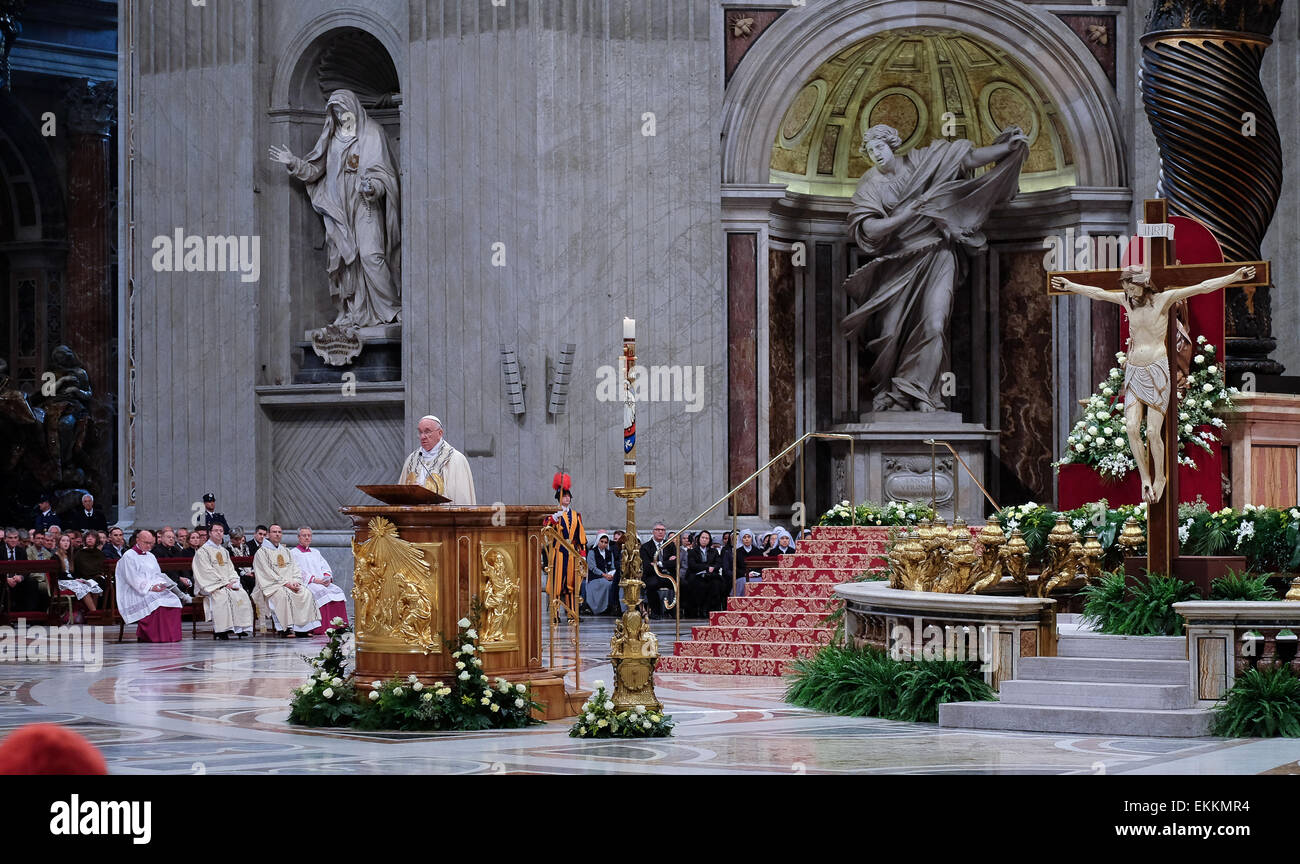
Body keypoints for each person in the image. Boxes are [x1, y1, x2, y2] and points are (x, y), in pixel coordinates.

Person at [843, 123, 1029, 412]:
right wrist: (906, 215)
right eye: (869, 151)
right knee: (890, 332)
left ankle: (921, 393)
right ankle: (891, 392)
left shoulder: (924, 160)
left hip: (938, 255)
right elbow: (870, 228)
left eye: (879, 147)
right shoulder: (870, 183)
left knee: (934, 324)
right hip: (897, 263)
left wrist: (1007, 148)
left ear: (892, 144)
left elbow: (965, 158)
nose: (875, 154)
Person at [1051, 263, 1257, 502]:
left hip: (1157, 372)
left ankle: (1160, 477)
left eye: (1132, 286)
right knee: (1130, 428)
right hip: (1134, 372)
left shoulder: (1163, 300)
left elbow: (1202, 287)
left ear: (1143, 283)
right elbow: (1098, 293)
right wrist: (1071, 285)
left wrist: (1233, 277)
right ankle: (1145, 479)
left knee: (1151, 431)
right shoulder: (1127, 301)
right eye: (1125, 287)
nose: (1128, 291)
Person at [269, 88, 401, 329]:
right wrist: (293, 163)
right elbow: (314, 171)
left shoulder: (372, 134)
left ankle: (390, 309)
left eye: (344, 111)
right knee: (341, 263)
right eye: (336, 112)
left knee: (372, 255)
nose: (341, 117)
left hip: (364, 206)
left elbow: (386, 175)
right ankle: (350, 311)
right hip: (337, 212)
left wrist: (373, 188)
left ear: (354, 108)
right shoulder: (331, 137)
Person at [114, 530, 183, 643]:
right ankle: (154, 636)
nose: (149, 546)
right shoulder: (128, 556)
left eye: (151, 543)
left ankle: (170, 636)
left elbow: (157, 574)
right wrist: (151, 587)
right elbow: (132, 579)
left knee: (173, 599)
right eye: (146, 543)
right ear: (138, 540)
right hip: (135, 591)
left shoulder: (151, 556)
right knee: (157, 601)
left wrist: (160, 584)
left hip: (152, 588)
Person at [253, 524, 321, 637]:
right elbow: (267, 574)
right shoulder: (261, 553)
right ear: (268, 535)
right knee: (284, 595)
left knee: (306, 593)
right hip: (271, 586)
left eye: (279, 532)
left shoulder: (286, 551)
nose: (277, 534)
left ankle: (303, 629)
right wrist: (286, 584)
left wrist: (296, 581)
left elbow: (295, 568)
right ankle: (285, 629)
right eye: (274, 532)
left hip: (290, 584)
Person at [190, 523, 254, 639]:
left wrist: (234, 581)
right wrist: (224, 584)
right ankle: (221, 630)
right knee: (222, 596)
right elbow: (206, 571)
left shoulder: (224, 551)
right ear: (210, 533)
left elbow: (231, 569)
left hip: (226, 584)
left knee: (241, 594)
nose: (219, 533)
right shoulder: (203, 552)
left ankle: (239, 627)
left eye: (221, 530)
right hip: (211, 585)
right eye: (216, 530)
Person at [397, 415, 477, 503]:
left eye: (427, 432)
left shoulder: (456, 459)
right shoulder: (412, 459)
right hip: (414, 515)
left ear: (440, 433)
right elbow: (401, 494)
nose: (422, 436)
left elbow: (461, 498)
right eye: (420, 432)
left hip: (442, 515)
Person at [291, 526, 348, 635]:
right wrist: (315, 580)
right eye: (304, 535)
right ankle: (323, 627)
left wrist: (327, 578)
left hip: (322, 582)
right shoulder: (293, 553)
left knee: (338, 591)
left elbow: (325, 567)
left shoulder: (315, 552)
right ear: (298, 537)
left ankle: (339, 626)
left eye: (309, 535)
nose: (307, 538)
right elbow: (297, 571)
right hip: (308, 583)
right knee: (323, 593)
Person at [544, 474, 586, 621]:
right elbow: (545, 530)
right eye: (564, 496)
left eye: (568, 496)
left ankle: (572, 613)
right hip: (559, 552)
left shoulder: (576, 515)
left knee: (571, 584)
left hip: (572, 552)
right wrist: (552, 520)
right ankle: (554, 614)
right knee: (556, 583)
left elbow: (580, 536)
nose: (567, 499)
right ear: (559, 498)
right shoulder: (552, 515)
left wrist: (582, 554)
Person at [53, 534, 100, 620]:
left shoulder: (70, 556)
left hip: (71, 580)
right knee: (82, 589)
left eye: (67, 541)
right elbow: (58, 574)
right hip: (62, 581)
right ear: (58, 543)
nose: (66, 543)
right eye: (63, 541)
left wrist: (78, 578)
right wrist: (74, 579)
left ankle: (91, 614)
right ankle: (94, 614)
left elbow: (73, 572)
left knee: (94, 587)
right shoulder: (55, 557)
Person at [639, 523, 677, 620]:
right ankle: (656, 611)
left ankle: (674, 611)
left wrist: (659, 564)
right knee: (651, 585)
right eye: (658, 529)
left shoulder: (670, 545)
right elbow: (647, 566)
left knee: (683, 584)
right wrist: (667, 562)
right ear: (653, 532)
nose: (660, 532)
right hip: (653, 575)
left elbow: (675, 563)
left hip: (668, 575)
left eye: (663, 530)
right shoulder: (645, 547)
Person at [682, 530, 723, 618]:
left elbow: (718, 563)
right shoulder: (692, 551)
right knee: (698, 585)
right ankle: (699, 609)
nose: (704, 540)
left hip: (711, 575)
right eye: (703, 538)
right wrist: (707, 567)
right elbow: (693, 565)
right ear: (698, 539)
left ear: (709, 540)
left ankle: (710, 610)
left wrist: (713, 568)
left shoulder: (714, 551)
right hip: (696, 574)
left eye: (706, 538)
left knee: (716, 584)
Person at [584, 533, 620, 617]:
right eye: (602, 541)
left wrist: (612, 574)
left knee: (614, 584)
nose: (603, 544)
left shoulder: (609, 553)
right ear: (598, 542)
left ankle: (612, 606)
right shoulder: (592, 552)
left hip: (608, 577)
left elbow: (612, 566)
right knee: (607, 584)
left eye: (606, 542)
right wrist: (604, 575)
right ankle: (602, 607)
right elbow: (592, 567)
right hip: (595, 578)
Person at [733, 529, 762, 597]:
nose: (747, 539)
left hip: (756, 576)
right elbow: (735, 567)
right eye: (744, 537)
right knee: (743, 582)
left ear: (752, 538)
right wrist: (745, 573)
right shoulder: (737, 552)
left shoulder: (758, 551)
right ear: (741, 539)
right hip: (743, 576)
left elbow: (761, 566)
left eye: (748, 537)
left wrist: (755, 573)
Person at [228, 529, 256, 593]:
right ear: (231, 539)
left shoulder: (245, 547)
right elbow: (232, 566)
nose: (238, 541)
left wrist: (252, 571)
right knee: (248, 581)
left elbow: (251, 559)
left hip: (249, 570)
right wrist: (245, 573)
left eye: (240, 539)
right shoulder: (228, 549)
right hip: (238, 573)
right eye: (236, 539)